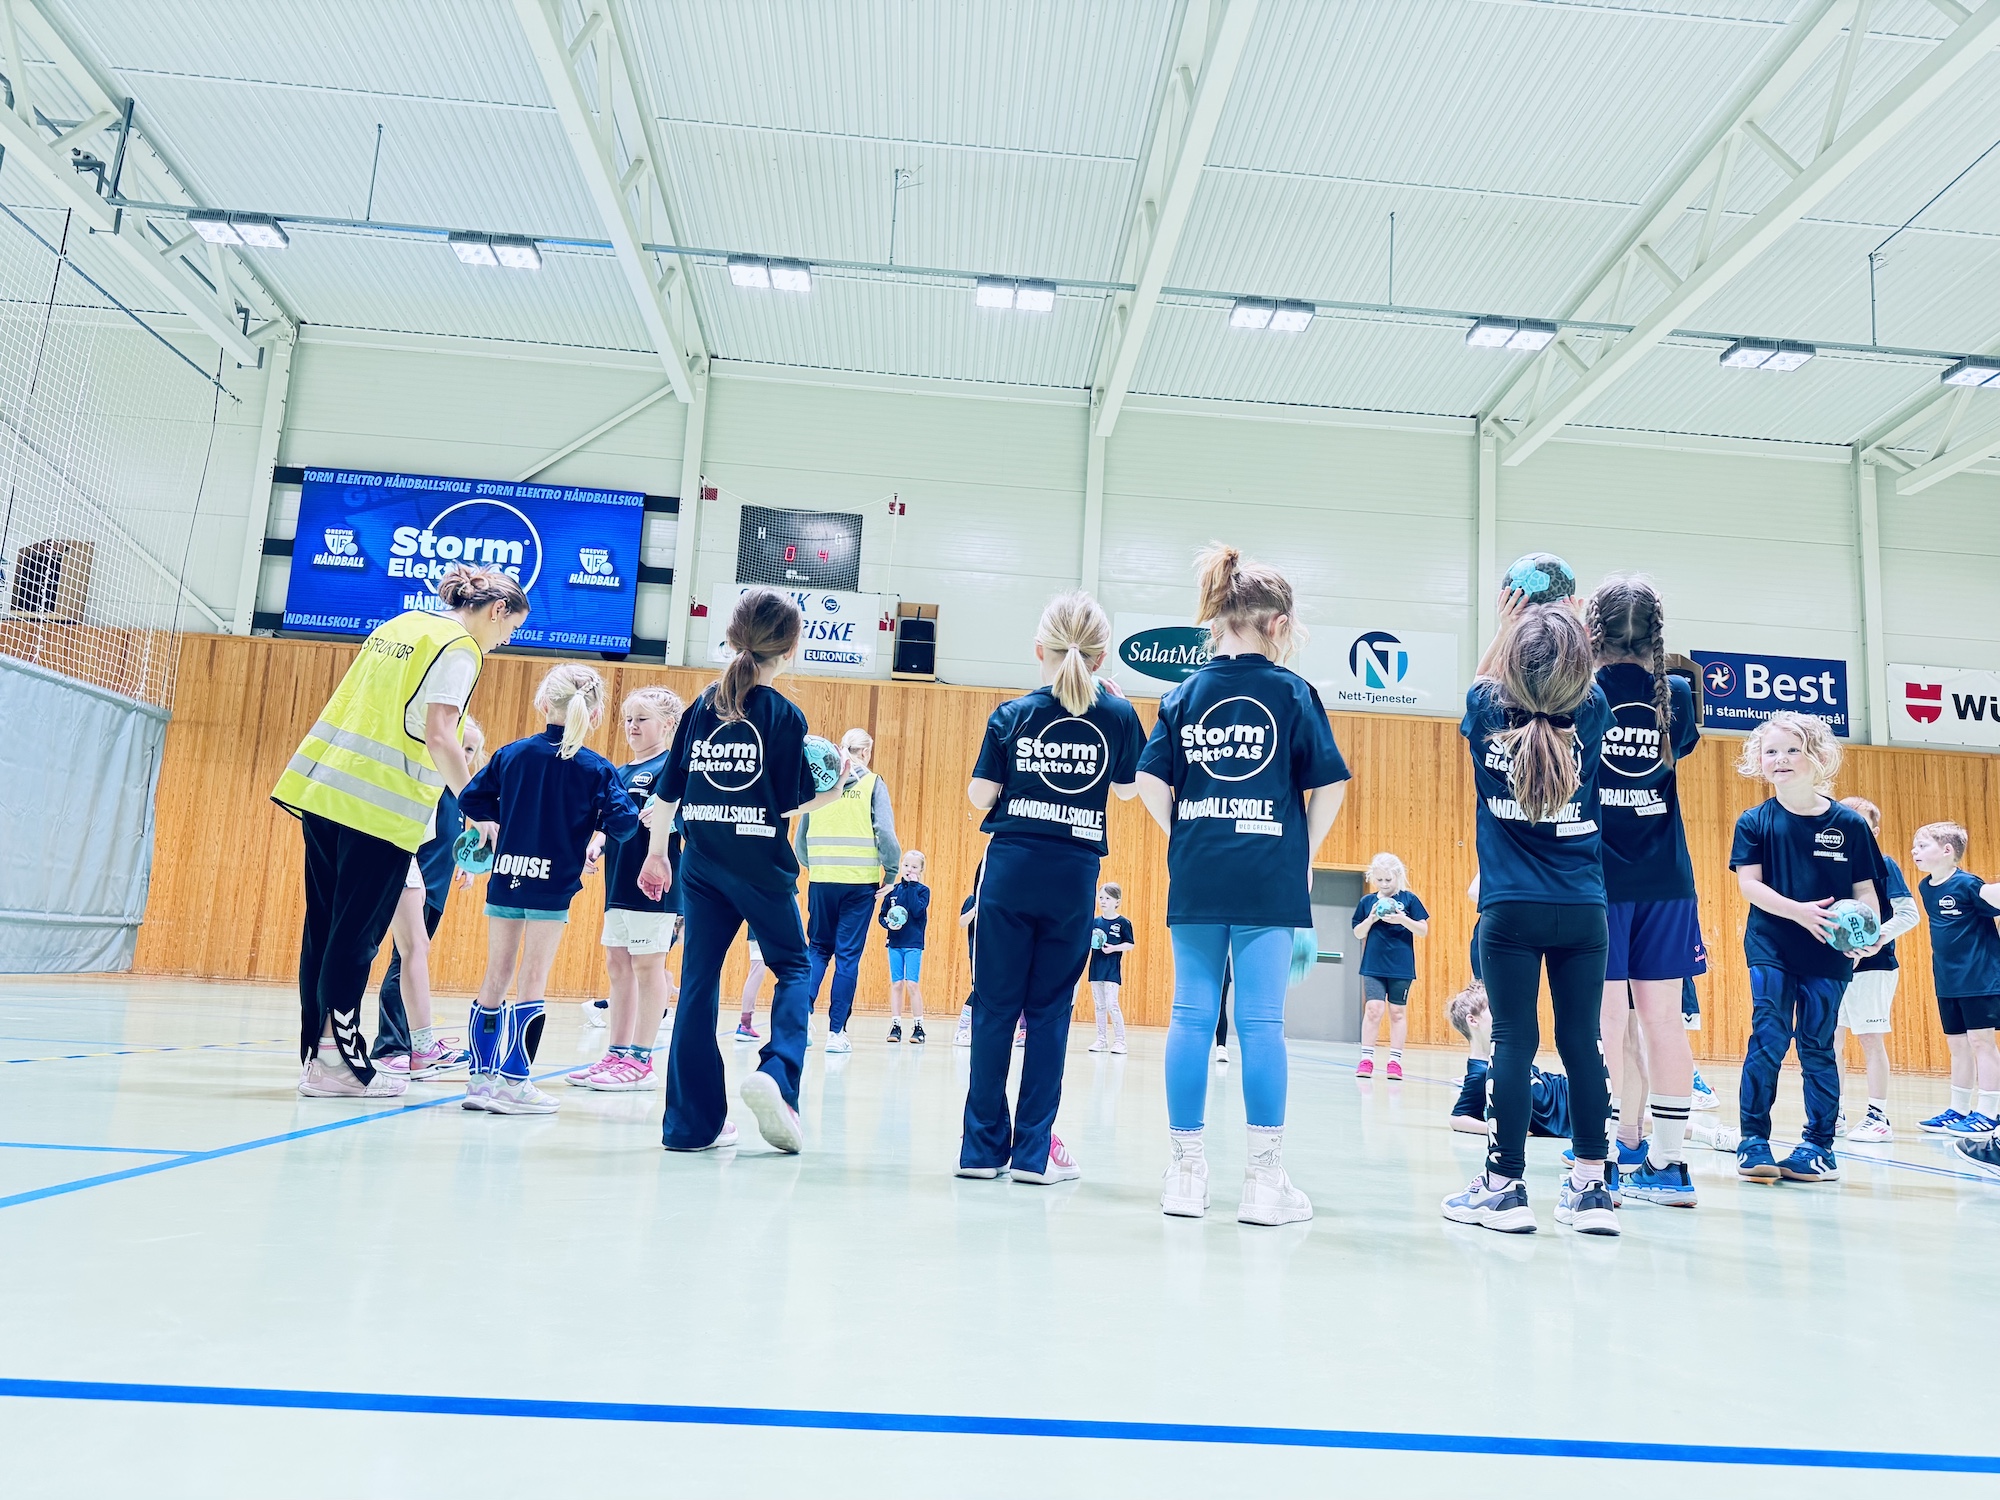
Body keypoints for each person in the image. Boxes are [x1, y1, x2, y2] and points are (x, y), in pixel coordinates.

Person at [1136, 545, 1350, 1224]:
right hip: (1267, 868)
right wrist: (1303, 853)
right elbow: (1331, 783)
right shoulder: (1292, 693)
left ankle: (1185, 1177)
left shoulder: (1183, 694)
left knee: (1190, 1017)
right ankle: (1263, 1185)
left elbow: (1147, 778)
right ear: (1279, 625)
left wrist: (1185, 835)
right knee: (1260, 1024)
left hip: (1199, 868)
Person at [272, 563, 527, 1098]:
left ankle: (317, 1059)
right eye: (511, 630)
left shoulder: (400, 625)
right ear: (498, 610)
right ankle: (336, 1065)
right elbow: (440, 735)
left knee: (323, 929)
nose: (505, 642)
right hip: (378, 809)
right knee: (356, 937)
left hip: (321, 791)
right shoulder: (460, 648)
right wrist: (478, 808)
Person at [639, 588, 852, 1154]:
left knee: (699, 984)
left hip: (701, 864)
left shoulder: (702, 705)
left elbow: (668, 789)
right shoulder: (784, 716)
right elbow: (789, 803)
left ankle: (688, 1125)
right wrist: (839, 787)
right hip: (759, 867)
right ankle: (778, 1076)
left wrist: (657, 850)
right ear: (790, 648)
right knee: (794, 966)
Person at [1442, 588, 1616, 1236]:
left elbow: (1491, 678)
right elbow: (1575, 679)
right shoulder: (1592, 709)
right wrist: (1569, 615)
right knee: (1581, 1045)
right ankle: (1591, 1191)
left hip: (1510, 908)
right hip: (1582, 908)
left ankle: (1504, 1188)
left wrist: (1513, 621)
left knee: (1515, 1041)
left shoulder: (1486, 708)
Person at [959, 592, 1143, 1185]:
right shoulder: (1116, 716)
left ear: (1039, 649)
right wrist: (1115, 704)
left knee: (993, 1008)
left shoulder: (1011, 715)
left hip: (1010, 868)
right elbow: (1126, 792)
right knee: (1049, 1014)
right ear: (1100, 656)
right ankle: (1033, 1154)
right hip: (1074, 875)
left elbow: (980, 797)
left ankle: (981, 1152)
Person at [458, 665, 640, 1116]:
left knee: (494, 977)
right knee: (532, 980)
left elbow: (471, 798)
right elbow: (624, 823)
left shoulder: (511, 754)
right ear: (594, 715)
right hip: (552, 884)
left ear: (543, 705)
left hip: (507, 875)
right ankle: (516, 1084)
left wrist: (496, 823)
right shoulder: (597, 768)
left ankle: (480, 1083)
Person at [1585, 575, 1704, 1208]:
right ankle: (1670, 1163)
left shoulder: (1579, 689)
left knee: (1605, 1020)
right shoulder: (1678, 695)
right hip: (1667, 881)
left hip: (1598, 879)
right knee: (1664, 1021)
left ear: (1592, 629)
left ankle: (1601, 1154)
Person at [1728, 711, 1886, 1183]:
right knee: (1769, 1037)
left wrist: (1867, 931)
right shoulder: (1755, 821)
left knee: (1818, 1045)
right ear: (1759, 761)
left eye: (1793, 749)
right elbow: (1750, 886)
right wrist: (1798, 911)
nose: (1781, 759)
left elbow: (1865, 892)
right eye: (1771, 751)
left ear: (1818, 757)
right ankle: (1753, 1140)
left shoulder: (1850, 825)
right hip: (1771, 943)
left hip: (1828, 954)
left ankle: (1818, 1146)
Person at [570, 687, 686, 1092]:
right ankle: (616, 1054)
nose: (632, 727)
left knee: (647, 966)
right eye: (628, 719)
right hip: (618, 882)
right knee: (618, 967)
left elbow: (687, 821)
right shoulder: (619, 772)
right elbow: (611, 822)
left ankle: (641, 1058)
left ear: (668, 724)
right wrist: (595, 844)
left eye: (642, 719)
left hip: (656, 885)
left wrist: (673, 817)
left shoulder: (674, 768)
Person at [373, 716, 485, 1078]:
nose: (464, 754)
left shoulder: (462, 794)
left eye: (470, 750)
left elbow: (453, 836)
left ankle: (410, 1046)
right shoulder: (429, 784)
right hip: (413, 882)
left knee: (411, 957)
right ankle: (391, 1046)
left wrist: (463, 864)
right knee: (403, 959)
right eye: (460, 746)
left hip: (437, 885)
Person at [796, 726, 901, 1054]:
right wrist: (892, 872)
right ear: (866, 753)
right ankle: (836, 1032)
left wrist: (816, 866)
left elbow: (801, 837)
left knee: (817, 949)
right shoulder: (872, 783)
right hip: (859, 883)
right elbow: (885, 832)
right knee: (847, 957)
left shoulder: (821, 782)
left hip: (823, 878)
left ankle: (802, 1017)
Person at [1834, 797, 1919, 1142]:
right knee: (1830, 1041)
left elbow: (1909, 914)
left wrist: (1875, 938)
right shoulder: (1831, 868)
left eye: (1862, 823)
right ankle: (1833, 1112)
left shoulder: (1885, 864)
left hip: (1875, 967)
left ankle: (1877, 1116)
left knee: (1869, 1039)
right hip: (1835, 969)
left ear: (1875, 830)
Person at [1910, 822, 2000, 1139]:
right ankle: (1958, 1109)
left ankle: (1990, 1111)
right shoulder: (1925, 887)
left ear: (1947, 851)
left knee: (1981, 1043)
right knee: (1958, 1046)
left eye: (1922, 845)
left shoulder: (1967, 885)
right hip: (1947, 982)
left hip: (1979, 979)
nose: (1914, 851)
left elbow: (1994, 899)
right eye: (1914, 846)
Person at [1446, 982, 1570, 1140]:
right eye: (1495, 1010)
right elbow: (1457, 1119)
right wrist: (1502, 1129)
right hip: (1566, 1113)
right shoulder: (1481, 1072)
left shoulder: (1506, 1053)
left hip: (1566, 1091)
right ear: (1473, 1020)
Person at [1351, 853, 1428, 1081]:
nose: (1384, 885)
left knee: (1397, 1012)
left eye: (1388, 880)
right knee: (1374, 1009)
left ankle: (1395, 1062)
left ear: (1398, 877)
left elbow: (1422, 930)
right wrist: (1372, 919)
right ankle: (1366, 1059)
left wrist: (1402, 919)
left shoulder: (1410, 900)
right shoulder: (1367, 902)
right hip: (1373, 964)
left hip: (1401, 966)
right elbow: (1358, 933)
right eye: (1380, 880)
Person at [880, 849, 931, 1043]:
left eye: (914, 867)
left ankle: (919, 1027)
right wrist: (888, 924)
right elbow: (882, 915)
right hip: (895, 943)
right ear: (901, 866)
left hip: (913, 944)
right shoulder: (892, 890)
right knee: (897, 984)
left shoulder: (922, 890)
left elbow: (918, 911)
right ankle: (895, 1025)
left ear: (920, 870)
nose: (909, 869)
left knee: (912, 984)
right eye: (906, 865)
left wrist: (911, 886)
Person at [1086, 882, 1136, 1054]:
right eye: (1101, 898)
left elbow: (1130, 944)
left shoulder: (1123, 922)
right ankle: (1101, 1039)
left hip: (1111, 970)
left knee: (1112, 1004)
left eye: (1108, 898)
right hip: (1096, 969)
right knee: (1099, 1005)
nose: (1103, 901)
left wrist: (1113, 948)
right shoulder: (1094, 922)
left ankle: (1120, 1041)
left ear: (1117, 901)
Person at [953, 872, 980, 1047]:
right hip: (978, 952)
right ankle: (962, 1029)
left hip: (998, 954)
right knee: (976, 989)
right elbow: (963, 922)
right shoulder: (972, 900)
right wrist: (978, 907)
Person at [735, 937, 765, 1041]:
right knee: (757, 972)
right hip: (769, 928)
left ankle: (745, 1023)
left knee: (756, 971)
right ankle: (745, 1024)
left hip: (754, 928)